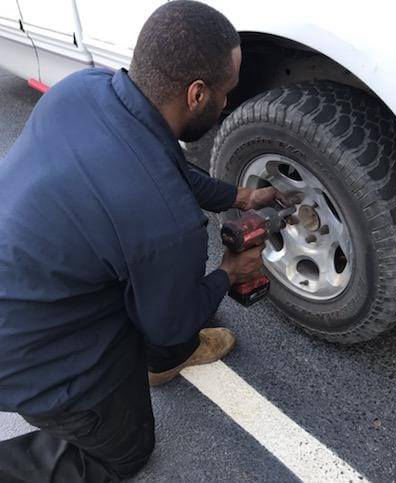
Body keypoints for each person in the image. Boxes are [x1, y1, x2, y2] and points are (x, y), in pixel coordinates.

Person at [0, 1, 295, 481]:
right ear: (197, 95)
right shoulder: (167, 225)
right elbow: (168, 323)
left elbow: (169, 169)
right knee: (127, 450)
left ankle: (158, 363)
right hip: (26, 356)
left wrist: (239, 195)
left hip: (29, 274)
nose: (229, 101)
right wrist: (229, 273)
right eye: (227, 92)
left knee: (157, 281)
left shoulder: (83, 89)